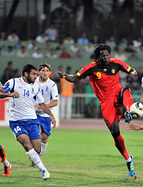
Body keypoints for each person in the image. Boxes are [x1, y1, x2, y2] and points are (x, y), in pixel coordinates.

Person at [58, 44, 138, 177]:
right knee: (115, 133)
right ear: (98, 57)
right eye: (103, 56)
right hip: (106, 102)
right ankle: (128, 159)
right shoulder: (91, 67)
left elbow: (133, 71)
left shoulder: (116, 63)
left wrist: (132, 75)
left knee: (125, 90)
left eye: (107, 55)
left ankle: (129, 111)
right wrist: (65, 76)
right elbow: (75, 78)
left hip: (117, 94)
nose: (106, 58)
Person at [0, 64, 57, 180]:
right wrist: (11, 94)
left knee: (37, 150)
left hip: (32, 121)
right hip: (16, 121)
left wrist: (51, 116)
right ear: (26, 74)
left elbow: (42, 104)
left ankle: (34, 158)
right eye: (33, 74)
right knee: (27, 144)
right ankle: (44, 170)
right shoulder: (13, 83)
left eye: (36, 74)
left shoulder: (36, 86)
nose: (35, 76)